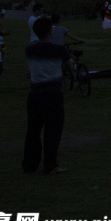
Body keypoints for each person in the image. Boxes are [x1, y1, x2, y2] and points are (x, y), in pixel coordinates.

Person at [23, 16, 72, 174]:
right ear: (50, 31)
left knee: (33, 131)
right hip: (53, 95)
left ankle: (30, 165)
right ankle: (50, 165)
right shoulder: (60, 50)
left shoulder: (29, 50)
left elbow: (29, 72)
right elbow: (69, 67)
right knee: (52, 131)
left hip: (35, 94)